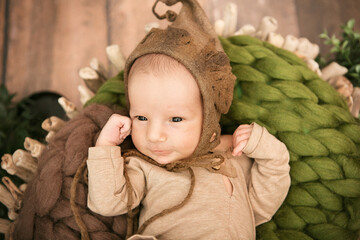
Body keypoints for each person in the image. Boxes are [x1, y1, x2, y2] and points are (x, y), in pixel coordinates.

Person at [87, 0, 290, 239]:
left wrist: (264, 147)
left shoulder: (235, 157)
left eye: (175, 119)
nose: (154, 136)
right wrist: (106, 146)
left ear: (208, 117)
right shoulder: (146, 166)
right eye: (141, 117)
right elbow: (107, 204)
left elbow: (266, 198)